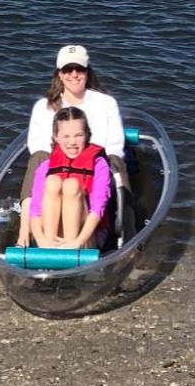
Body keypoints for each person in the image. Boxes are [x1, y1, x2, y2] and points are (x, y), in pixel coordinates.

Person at [21, 44, 126, 242]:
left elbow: (115, 145)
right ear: (59, 74)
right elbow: (38, 145)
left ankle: (127, 230)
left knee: (115, 161)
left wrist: (91, 158)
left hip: (94, 159)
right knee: (39, 159)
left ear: (88, 72)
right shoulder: (43, 106)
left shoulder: (106, 102)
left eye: (80, 69)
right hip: (57, 162)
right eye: (68, 70)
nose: (74, 74)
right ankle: (25, 232)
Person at [20, 107, 110, 250]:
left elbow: (97, 209)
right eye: (65, 136)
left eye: (78, 135)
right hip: (50, 236)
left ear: (87, 135)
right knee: (52, 182)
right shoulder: (45, 167)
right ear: (56, 137)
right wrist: (41, 239)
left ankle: (71, 249)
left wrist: (78, 241)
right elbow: (35, 210)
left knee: (71, 185)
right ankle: (48, 247)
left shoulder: (99, 165)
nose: (72, 142)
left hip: (84, 235)